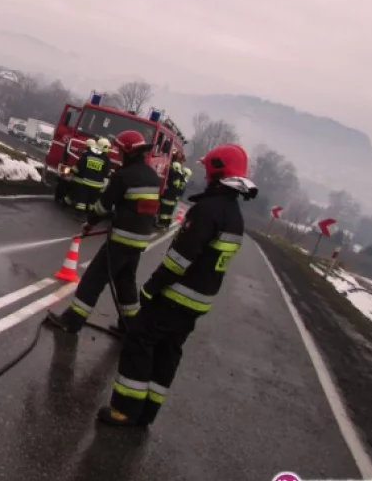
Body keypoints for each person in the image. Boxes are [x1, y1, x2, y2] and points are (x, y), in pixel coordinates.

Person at [96, 144, 258, 427]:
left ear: (216, 171)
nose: (205, 175)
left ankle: (125, 409)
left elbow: (180, 259)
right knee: (168, 351)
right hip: (197, 302)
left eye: (208, 169)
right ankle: (147, 412)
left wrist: (151, 288)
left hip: (175, 296)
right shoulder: (235, 216)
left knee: (140, 341)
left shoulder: (207, 210)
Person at [45, 129, 161, 335]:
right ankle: (130, 327)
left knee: (93, 279)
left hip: (121, 240)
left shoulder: (123, 176)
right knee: (126, 283)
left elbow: (103, 207)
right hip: (140, 241)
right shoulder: (153, 177)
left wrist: (89, 223)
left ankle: (72, 321)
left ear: (127, 152)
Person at [65, 139, 111, 215]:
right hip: (97, 185)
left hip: (86, 182)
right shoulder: (105, 158)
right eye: (107, 147)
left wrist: (72, 171)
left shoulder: (88, 154)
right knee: (92, 200)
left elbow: (80, 166)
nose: (108, 149)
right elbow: (106, 172)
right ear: (104, 147)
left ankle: (79, 212)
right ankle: (89, 213)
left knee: (82, 198)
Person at [156, 157, 187, 228]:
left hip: (168, 196)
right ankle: (167, 223)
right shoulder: (182, 177)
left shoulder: (174, 175)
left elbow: (170, 183)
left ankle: (162, 223)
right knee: (169, 212)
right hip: (173, 198)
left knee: (164, 211)